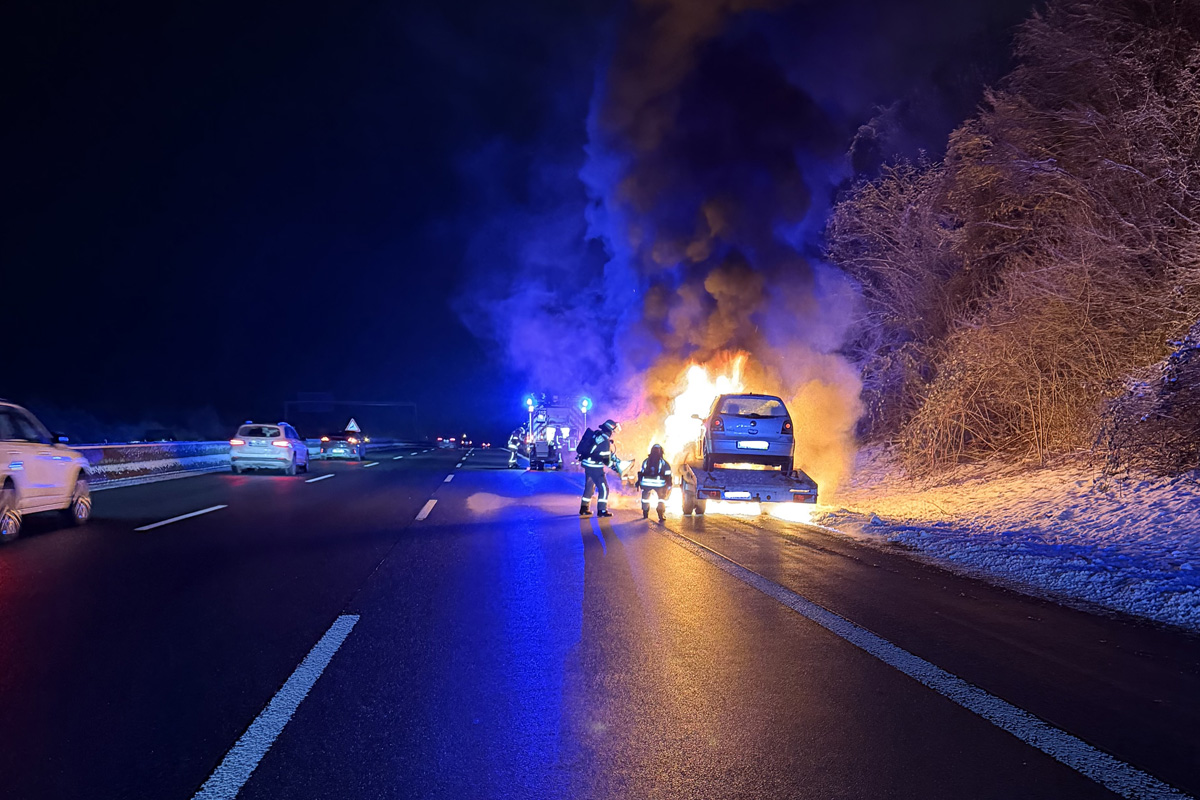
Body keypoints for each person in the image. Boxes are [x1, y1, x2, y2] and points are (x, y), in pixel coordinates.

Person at [580, 419, 620, 517]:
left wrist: (616, 460)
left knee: (589, 486)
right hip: (595, 467)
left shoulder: (598, 435)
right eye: (613, 431)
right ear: (610, 430)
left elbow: (603, 453)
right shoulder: (605, 441)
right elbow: (606, 460)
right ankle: (602, 510)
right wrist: (615, 467)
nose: (613, 434)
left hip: (588, 465)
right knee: (604, 488)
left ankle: (584, 508)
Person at [637, 443, 672, 522]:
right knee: (661, 498)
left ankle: (645, 512)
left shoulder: (646, 461)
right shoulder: (664, 463)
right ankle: (660, 513)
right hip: (659, 483)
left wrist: (639, 482)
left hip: (646, 483)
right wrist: (669, 484)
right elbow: (668, 475)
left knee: (645, 498)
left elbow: (642, 472)